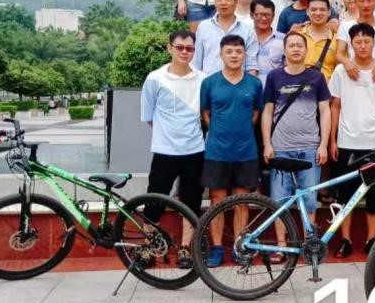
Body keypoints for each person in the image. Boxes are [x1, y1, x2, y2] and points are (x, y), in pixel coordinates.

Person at [328, 23, 375, 253]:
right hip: (346, 142)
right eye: (357, 42)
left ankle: (371, 240)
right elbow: (335, 106)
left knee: (374, 195)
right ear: (350, 44)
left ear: (373, 43)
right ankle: (345, 240)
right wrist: (332, 140)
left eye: (366, 41)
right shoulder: (341, 71)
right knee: (345, 195)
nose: (362, 46)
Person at [261, 32, 331, 262]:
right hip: (281, 148)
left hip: (310, 148)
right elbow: (268, 112)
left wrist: (323, 145)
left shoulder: (316, 77)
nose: (295, 49)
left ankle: (309, 244)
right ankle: (281, 246)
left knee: (309, 200)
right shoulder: (274, 77)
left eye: (300, 45)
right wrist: (267, 143)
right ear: (284, 50)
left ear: (305, 49)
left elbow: (325, 111)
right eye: (291, 45)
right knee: (280, 201)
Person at [140, 30, 205, 269]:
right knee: (154, 200)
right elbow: (148, 116)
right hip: (164, 151)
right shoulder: (155, 79)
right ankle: (148, 247)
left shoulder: (203, 79)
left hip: (195, 150)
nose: (185, 52)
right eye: (180, 47)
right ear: (170, 48)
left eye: (189, 48)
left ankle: (186, 248)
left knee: (191, 201)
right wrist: (168, 135)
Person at [199, 35, 263, 267]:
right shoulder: (209, 83)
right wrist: (218, 131)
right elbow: (205, 113)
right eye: (229, 51)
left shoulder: (254, 84)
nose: (234, 55)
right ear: (221, 54)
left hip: (246, 151)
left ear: (244, 54)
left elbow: (256, 114)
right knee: (217, 200)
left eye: (238, 51)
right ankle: (216, 248)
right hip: (217, 151)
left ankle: (239, 246)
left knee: (241, 201)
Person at [192, 0, 258, 76]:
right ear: (215, 2)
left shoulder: (248, 30)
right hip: (209, 82)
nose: (223, 3)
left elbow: (251, 65)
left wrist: (249, 84)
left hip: (238, 83)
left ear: (236, 1)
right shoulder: (203, 27)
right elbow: (196, 62)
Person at [295, 0, 340, 80]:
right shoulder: (297, 36)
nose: (318, 13)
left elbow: (339, 70)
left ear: (329, 12)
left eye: (322, 10)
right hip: (298, 85)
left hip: (326, 86)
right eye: (314, 10)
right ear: (307, 12)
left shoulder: (337, 40)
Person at [249, 0, 284, 89]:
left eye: (268, 15)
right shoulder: (244, 38)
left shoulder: (284, 40)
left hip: (274, 92)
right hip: (247, 92)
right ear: (251, 15)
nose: (264, 18)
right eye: (260, 15)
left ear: (273, 16)